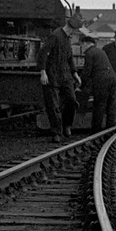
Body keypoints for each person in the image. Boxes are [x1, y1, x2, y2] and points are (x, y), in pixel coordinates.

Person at [38, 12, 83, 142]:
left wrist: (75, 74)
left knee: (71, 101)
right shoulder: (55, 36)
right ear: (71, 28)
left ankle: (67, 125)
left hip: (66, 75)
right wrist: (43, 71)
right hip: (52, 75)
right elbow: (43, 54)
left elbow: (69, 58)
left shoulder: (67, 40)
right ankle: (56, 132)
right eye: (75, 31)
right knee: (53, 105)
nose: (75, 35)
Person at [78, 35, 116, 133]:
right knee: (111, 105)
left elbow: (87, 71)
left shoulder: (89, 53)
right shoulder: (100, 51)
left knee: (99, 105)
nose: (82, 48)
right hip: (112, 78)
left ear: (85, 44)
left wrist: (80, 86)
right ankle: (111, 129)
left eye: (81, 45)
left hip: (101, 80)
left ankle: (96, 131)